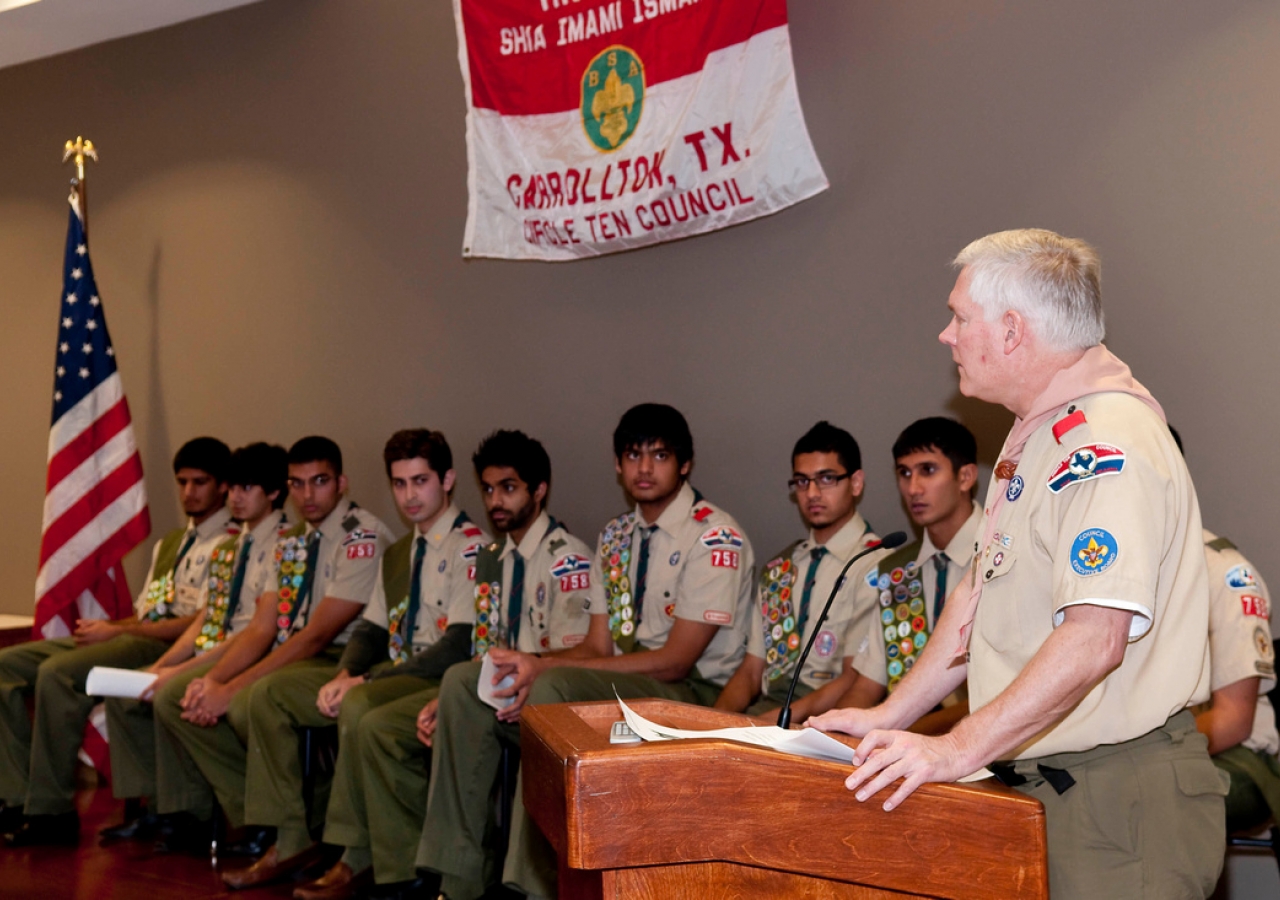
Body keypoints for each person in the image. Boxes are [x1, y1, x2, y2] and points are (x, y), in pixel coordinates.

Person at [808, 229, 1225, 898]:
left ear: (1010, 330)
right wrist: (891, 716)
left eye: (959, 317)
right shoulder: (1036, 440)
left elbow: (1095, 640)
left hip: (1116, 803)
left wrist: (955, 747)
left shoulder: (1105, 443)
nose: (947, 335)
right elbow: (976, 599)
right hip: (1047, 786)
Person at [419, 403, 757, 900]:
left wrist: (546, 668)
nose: (644, 468)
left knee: (553, 685)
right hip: (622, 683)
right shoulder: (617, 536)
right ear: (618, 466)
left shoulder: (714, 535)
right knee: (467, 681)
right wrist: (527, 663)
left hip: (692, 693)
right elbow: (598, 644)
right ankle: (458, 879)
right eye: (632, 455)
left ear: (684, 464)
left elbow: (675, 661)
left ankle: (530, 884)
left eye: (659, 455)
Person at [155, 435, 392, 888]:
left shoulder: (362, 536)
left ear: (340, 483)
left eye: (319, 482)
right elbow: (263, 627)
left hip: (346, 659)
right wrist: (215, 682)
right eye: (297, 483)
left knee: (254, 699)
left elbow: (317, 635)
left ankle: (291, 830)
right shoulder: (291, 542)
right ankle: (283, 814)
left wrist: (231, 689)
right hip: (297, 653)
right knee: (181, 697)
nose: (308, 495)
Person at [0, 436, 232, 846]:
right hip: (137, 635)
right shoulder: (172, 544)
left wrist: (119, 631)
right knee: (7, 665)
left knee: (58, 675)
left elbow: (198, 623)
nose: (189, 493)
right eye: (182, 482)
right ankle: (16, 796)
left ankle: (50, 810)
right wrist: (109, 628)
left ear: (224, 486)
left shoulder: (230, 544)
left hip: (173, 648)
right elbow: (149, 611)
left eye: (201, 482)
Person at [293, 429, 489, 900]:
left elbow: (457, 646)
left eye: (420, 481)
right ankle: (377, 860)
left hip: (447, 678)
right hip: (404, 673)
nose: (409, 496)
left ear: (447, 480)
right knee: (354, 700)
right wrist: (345, 672)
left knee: (363, 707)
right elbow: (371, 630)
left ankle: (371, 858)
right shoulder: (401, 551)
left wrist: (366, 677)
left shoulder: (473, 547)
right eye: (399, 484)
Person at [411, 429, 594, 900]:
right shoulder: (491, 559)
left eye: (508, 488)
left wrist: (530, 677)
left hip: (550, 700)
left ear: (538, 490)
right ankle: (458, 879)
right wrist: (442, 701)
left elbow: (584, 657)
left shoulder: (567, 559)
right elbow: (486, 651)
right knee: (456, 684)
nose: (496, 500)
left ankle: (523, 887)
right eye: (488, 489)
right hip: (507, 699)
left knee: (531, 701)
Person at [99, 442, 290, 850]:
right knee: (133, 688)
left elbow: (257, 631)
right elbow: (208, 619)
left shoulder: (285, 545)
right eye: (233, 487)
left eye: (247, 488)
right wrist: (163, 664)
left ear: (273, 492)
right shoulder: (230, 547)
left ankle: (238, 815)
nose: (235, 497)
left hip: (252, 652)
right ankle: (161, 807)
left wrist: (179, 674)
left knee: (171, 694)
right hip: (217, 645)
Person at [713, 421, 883, 723]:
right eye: (802, 482)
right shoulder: (781, 568)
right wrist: (713, 722)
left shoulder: (876, 564)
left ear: (856, 483)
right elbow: (752, 671)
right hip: (769, 708)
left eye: (826, 479)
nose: (812, 493)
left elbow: (853, 679)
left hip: (827, 716)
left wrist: (774, 721)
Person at [1170, 427, 1280, 835]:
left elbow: (1233, 721)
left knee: (1140, 810)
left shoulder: (1224, 574)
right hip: (1142, 755)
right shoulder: (1104, 570)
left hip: (1235, 756)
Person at [839, 417, 981, 731]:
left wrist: (897, 729)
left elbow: (1005, 690)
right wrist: (825, 735)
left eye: (927, 470)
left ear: (966, 476)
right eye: (904, 473)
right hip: (906, 737)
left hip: (993, 746)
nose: (913, 488)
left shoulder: (1003, 554)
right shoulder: (895, 570)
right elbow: (868, 684)